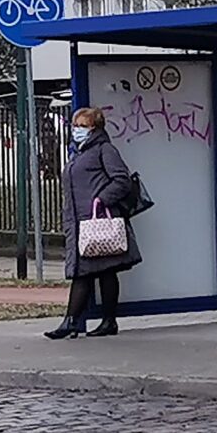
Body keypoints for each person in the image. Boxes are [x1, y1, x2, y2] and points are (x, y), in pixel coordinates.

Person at [45, 106, 141, 340]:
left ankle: (76, 322)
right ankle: (90, 321)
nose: (77, 130)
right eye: (75, 125)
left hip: (97, 221)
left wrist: (102, 199)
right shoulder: (78, 152)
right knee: (91, 272)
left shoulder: (104, 150)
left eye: (83, 126)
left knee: (94, 272)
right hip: (80, 222)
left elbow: (122, 180)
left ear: (95, 128)